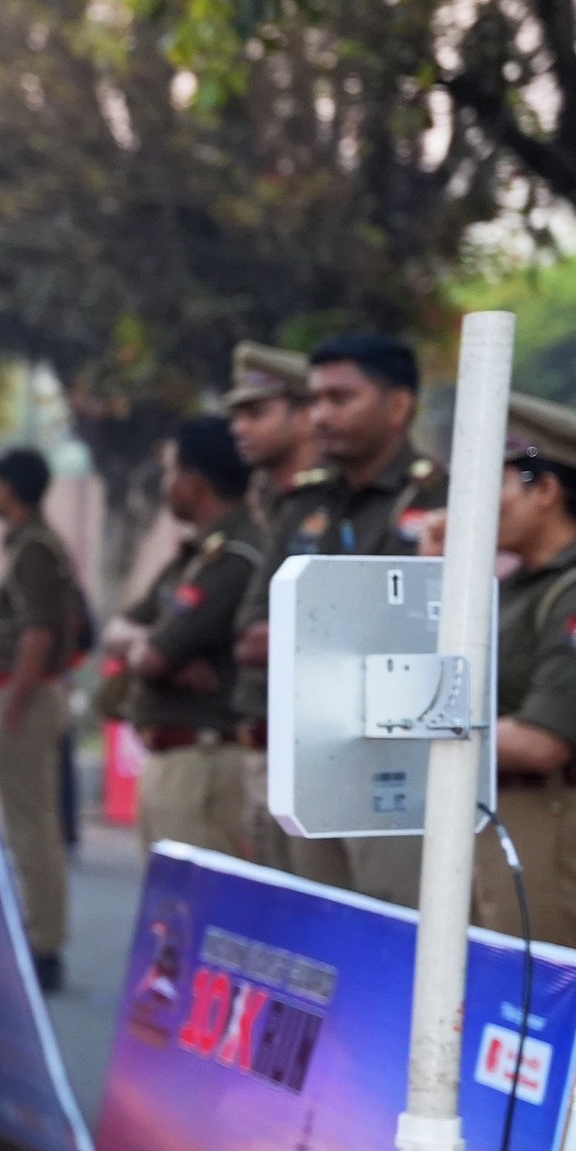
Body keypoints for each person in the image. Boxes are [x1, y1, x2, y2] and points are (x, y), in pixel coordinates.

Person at [466, 395, 576, 953]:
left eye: (497, 483)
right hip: (506, 813)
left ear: (544, 491)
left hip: (551, 820)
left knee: (542, 984)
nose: (477, 501)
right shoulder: (523, 586)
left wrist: (430, 726)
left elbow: (543, 742)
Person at [307, 333, 445, 911]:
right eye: (315, 400)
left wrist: (315, 638)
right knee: (313, 931)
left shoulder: (440, 497)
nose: (320, 415)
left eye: (340, 398)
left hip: (396, 763)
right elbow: (253, 627)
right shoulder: (309, 502)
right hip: (310, 751)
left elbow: (413, 633)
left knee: (395, 928)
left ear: (398, 405)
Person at [107, 418, 260, 858]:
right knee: (166, 899)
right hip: (172, 760)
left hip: (203, 763)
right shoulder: (194, 556)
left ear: (194, 483)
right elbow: (118, 630)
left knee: (198, 897)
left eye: (171, 472)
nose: (166, 485)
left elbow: (153, 658)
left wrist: (156, 651)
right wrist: (158, 647)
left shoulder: (234, 557)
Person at [222, 343, 337, 875]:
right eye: (236, 415)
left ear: (304, 414)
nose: (239, 428)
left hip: (323, 750)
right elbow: (248, 631)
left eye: (256, 412)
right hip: (263, 737)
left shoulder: (333, 501)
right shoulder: (271, 501)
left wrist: (284, 636)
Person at [0, 447, 81, 990]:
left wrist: (15, 705)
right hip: (26, 695)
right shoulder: (29, 545)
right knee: (26, 822)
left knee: (31, 825)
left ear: (11, 488)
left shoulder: (35, 548)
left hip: (27, 698)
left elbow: (40, 632)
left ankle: (42, 942)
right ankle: (38, 933)